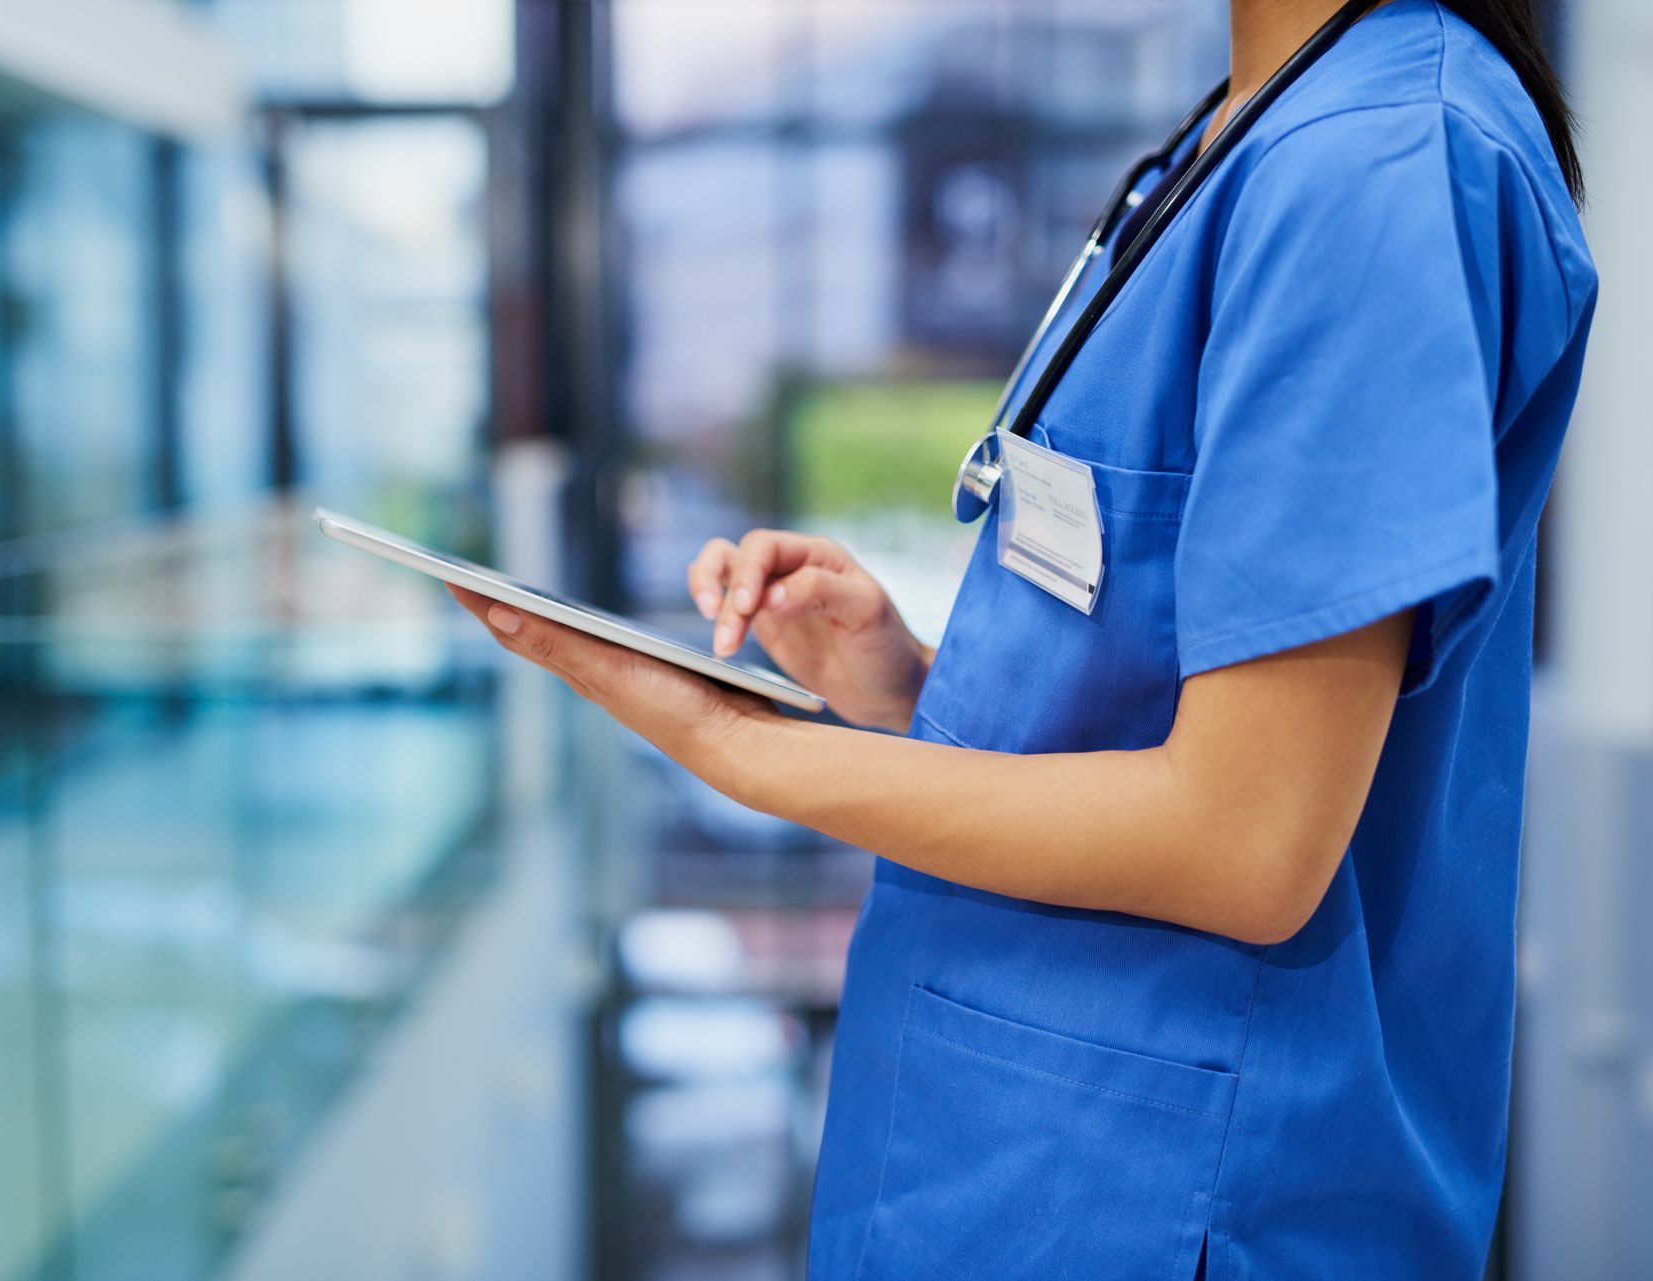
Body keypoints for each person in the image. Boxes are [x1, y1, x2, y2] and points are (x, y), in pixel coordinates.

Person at [450, 0, 1597, 1274]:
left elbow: (1249, 841)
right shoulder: (1249, 128)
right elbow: (1182, 701)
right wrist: (911, 691)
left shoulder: (1375, 164)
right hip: (1012, 1163)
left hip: (1164, 1198)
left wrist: (742, 748)